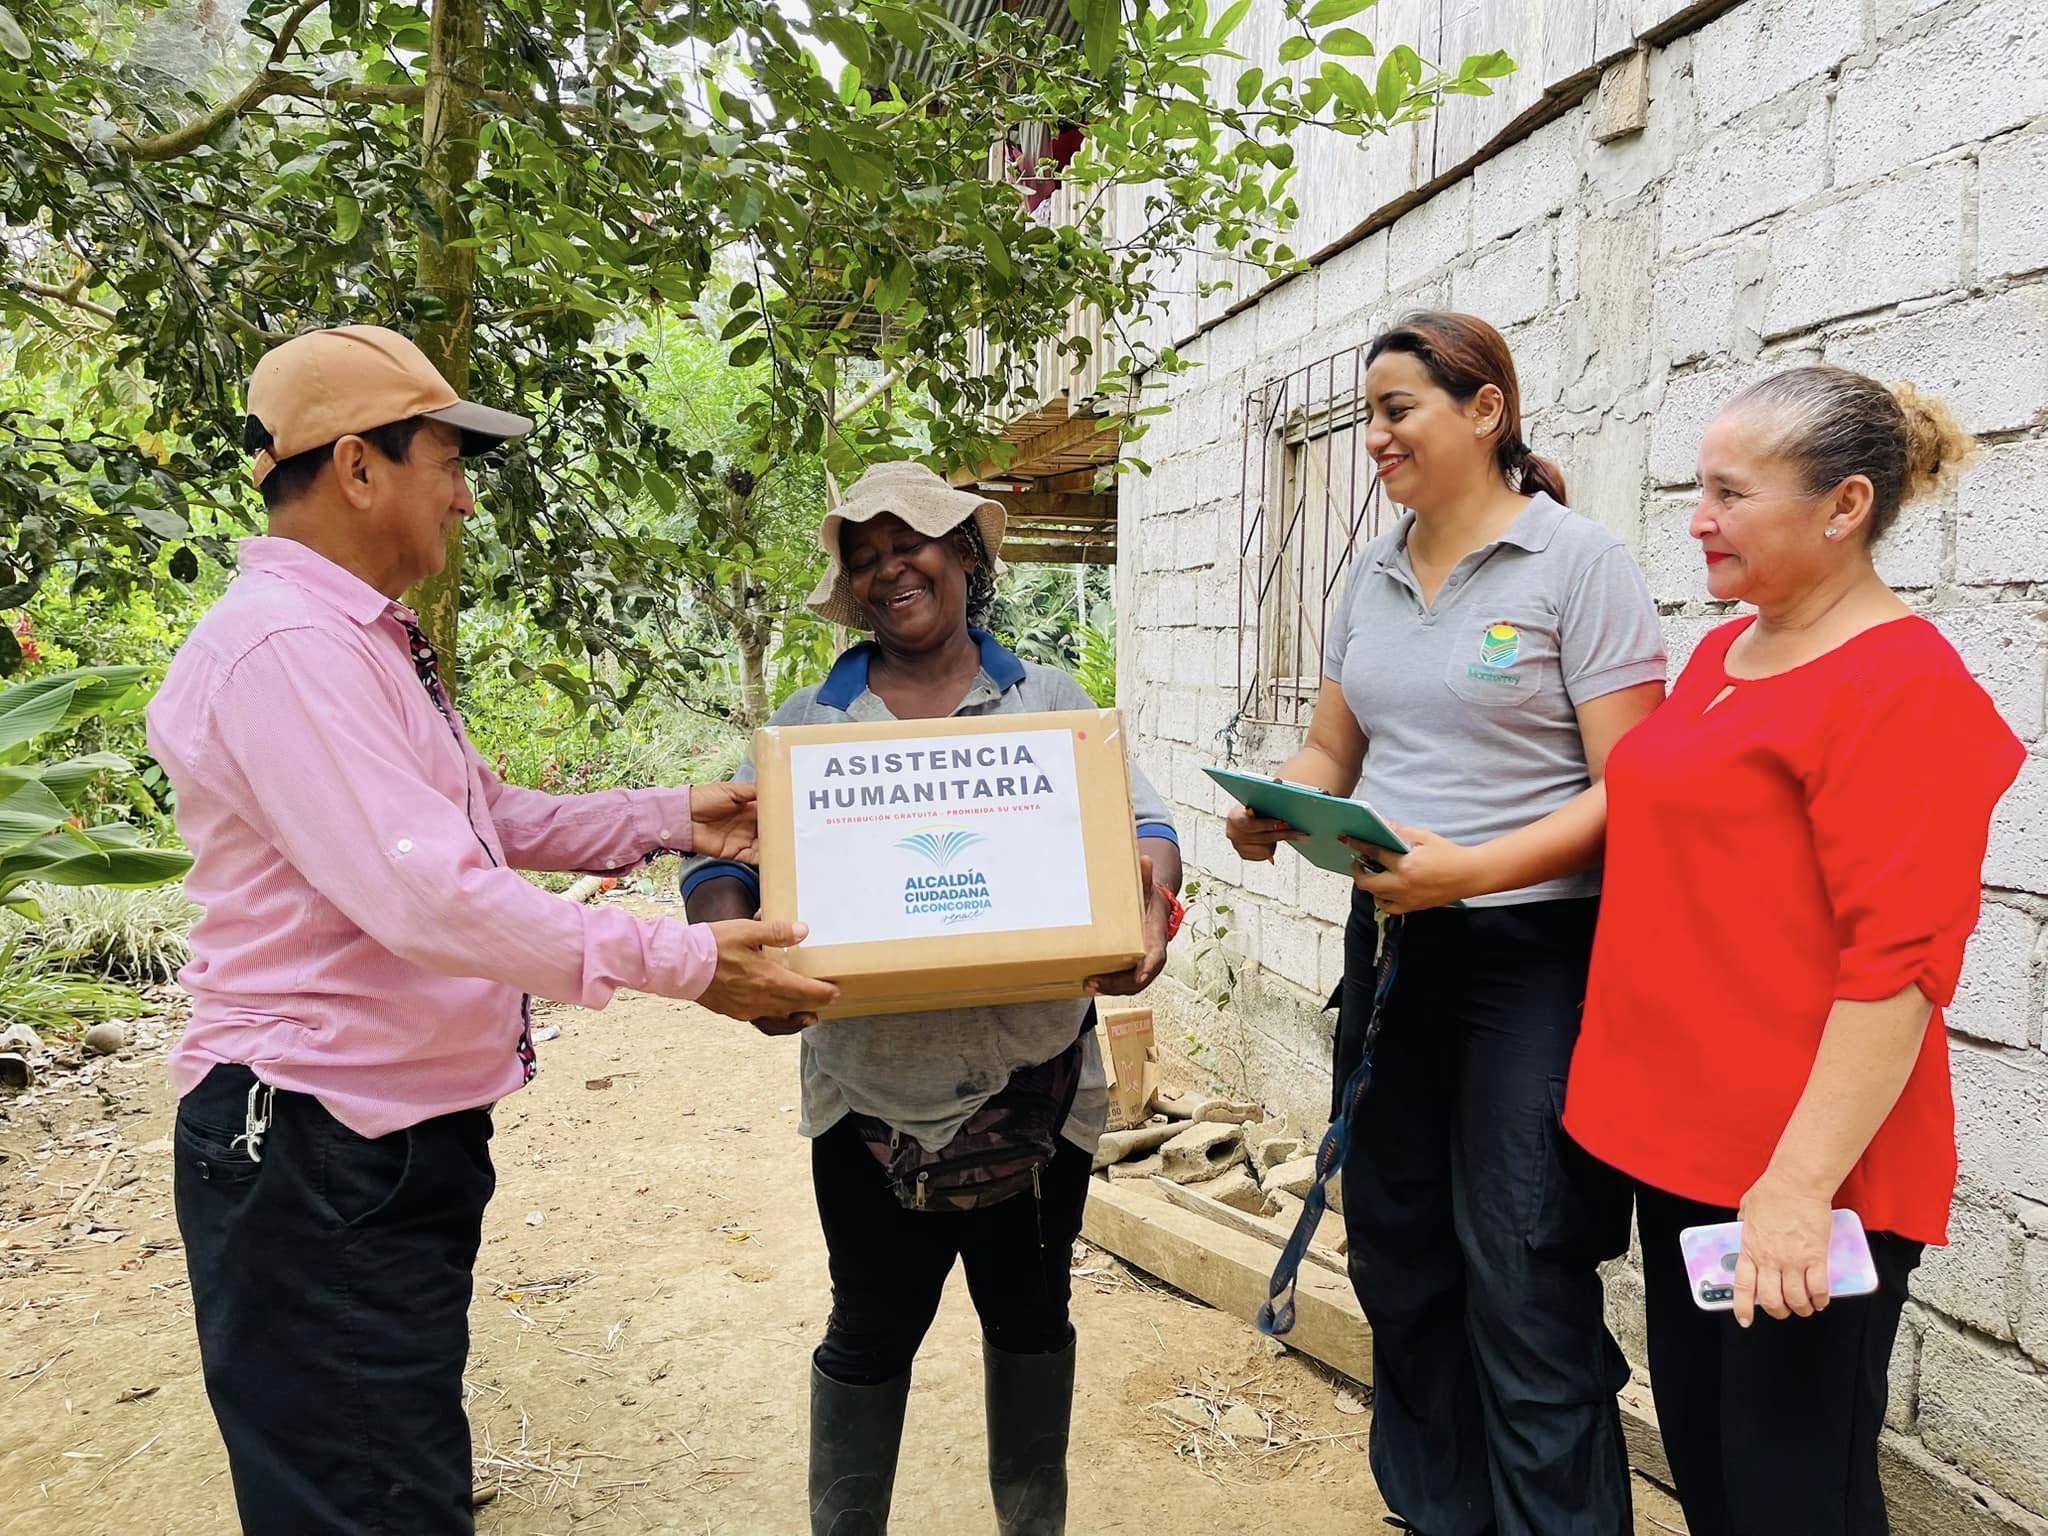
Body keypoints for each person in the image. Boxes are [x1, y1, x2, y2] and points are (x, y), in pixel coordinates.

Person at [146, 325, 838, 1536]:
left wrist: (672, 816)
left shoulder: (348, 637)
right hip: (315, 1144)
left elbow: (476, 817)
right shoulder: (291, 650)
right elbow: (429, 893)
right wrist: (685, 960)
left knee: (390, 1460)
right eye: (447, 463)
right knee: (367, 1496)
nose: (463, 498)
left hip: (372, 1139)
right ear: (358, 467)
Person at [1352, 366, 2023, 1534]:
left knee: (1788, 1498)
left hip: (1796, 1176)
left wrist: (1795, 1190)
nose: (1697, 520)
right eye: (1696, 490)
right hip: (1686, 1160)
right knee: (1714, 1477)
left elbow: (1898, 970)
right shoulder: (1727, 657)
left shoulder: (1901, 688)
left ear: (1843, 506)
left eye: (1728, 494)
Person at [1224, 311, 1666, 1536]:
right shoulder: (1368, 573)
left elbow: (1633, 790)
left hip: (1533, 963)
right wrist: (1278, 806)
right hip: (1392, 950)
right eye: (1366, 414)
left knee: (1522, 1263)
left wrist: (1469, 873)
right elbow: (1332, 747)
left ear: (1483, 411)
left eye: (1395, 409)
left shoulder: (1577, 564)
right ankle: (1438, 1512)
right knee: (1398, 1251)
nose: (1372, 436)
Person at [680, 460, 1181, 1536]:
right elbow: (718, 860)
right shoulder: (811, 725)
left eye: (907, 544)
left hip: (1037, 1090)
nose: (888, 570)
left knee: (1031, 1320)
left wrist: (1146, 900)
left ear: (963, 554)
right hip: (867, 1100)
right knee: (869, 1331)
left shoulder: (1049, 705)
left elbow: (1143, 828)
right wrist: (733, 950)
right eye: (864, 559)